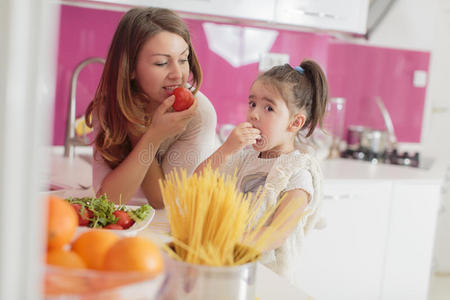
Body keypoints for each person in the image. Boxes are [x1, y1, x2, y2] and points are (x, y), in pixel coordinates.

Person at [195, 60, 328, 285]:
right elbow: (194, 184)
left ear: (295, 122)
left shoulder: (298, 173)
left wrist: (224, 243)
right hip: (231, 269)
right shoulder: (242, 158)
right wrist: (226, 150)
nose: (254, 114)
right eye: (252, 103)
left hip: (268, 279)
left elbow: (276, 233)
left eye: (268, 108)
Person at [85, 7, 217, 208]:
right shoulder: (108, 108)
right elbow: (108, 200)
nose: (178, 74)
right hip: (129, 225)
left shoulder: (199, 114)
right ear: (130, 68)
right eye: (162, 63)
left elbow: (162, 200)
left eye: (183, 59)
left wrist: (148, 135)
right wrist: (141, 129)